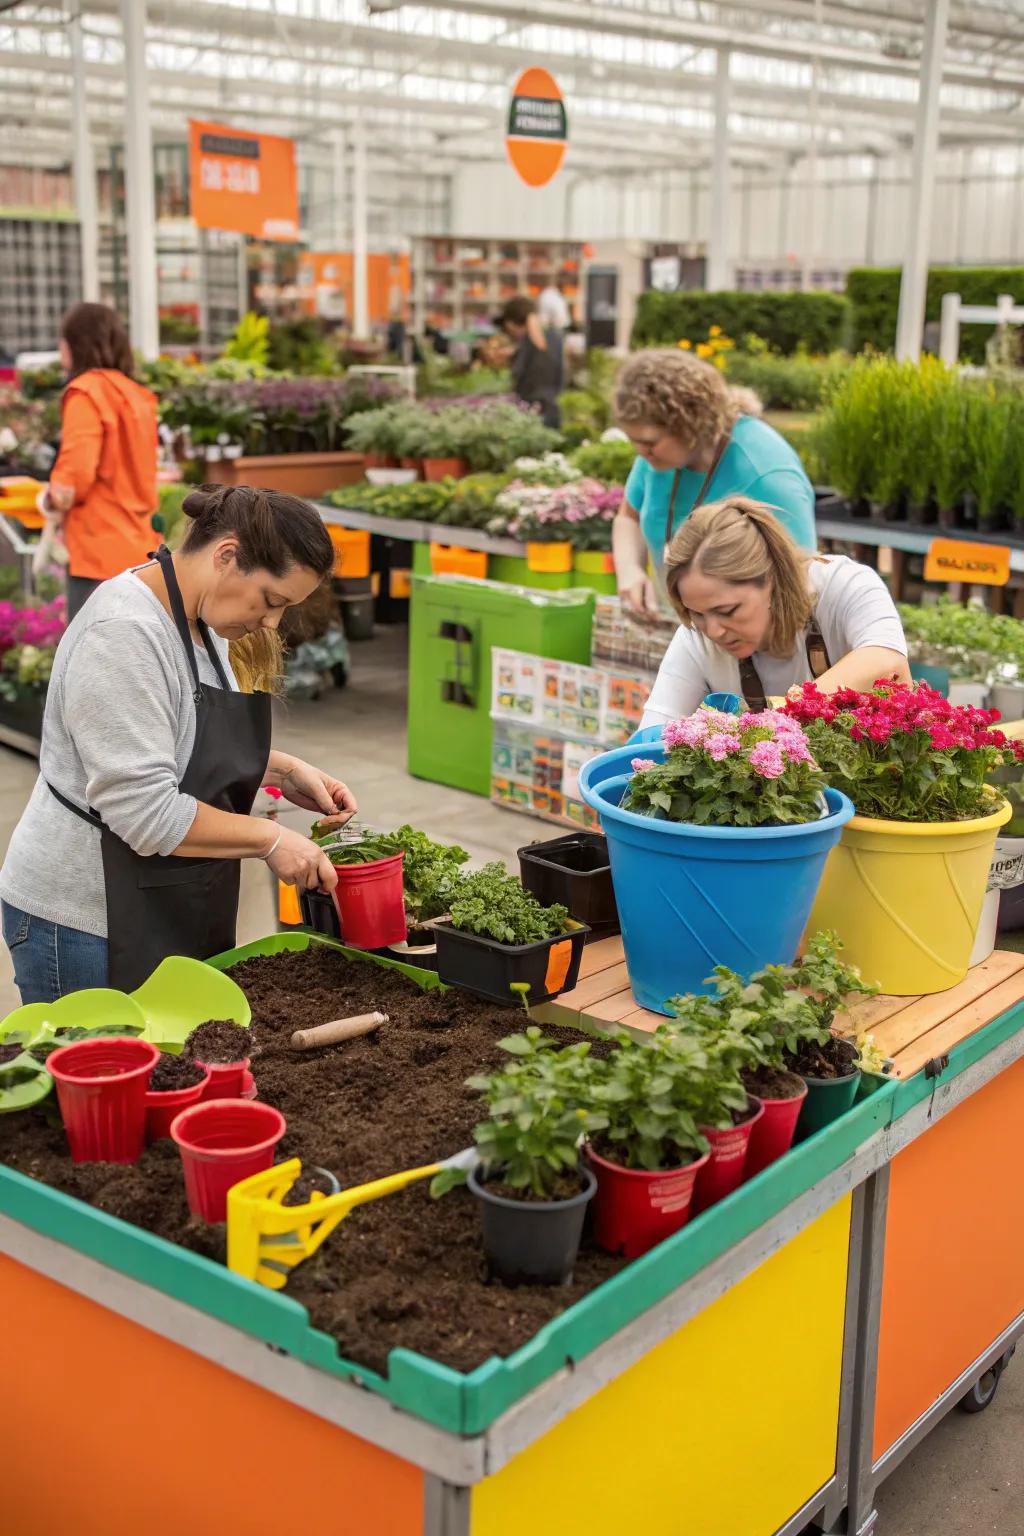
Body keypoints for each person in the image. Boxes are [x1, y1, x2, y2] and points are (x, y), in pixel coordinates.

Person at [0, 484, 357, 1004]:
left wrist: (279, 771)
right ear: (226, 555)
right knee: (100, 1057)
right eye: (271, 600)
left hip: (154, 900)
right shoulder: (124, 634)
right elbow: (144, 811)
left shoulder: (200, 618)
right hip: (83, 921)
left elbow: (175, 742)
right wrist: (272, 841)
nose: (272, 622)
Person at [639, 495, 910, 725]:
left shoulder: (842, 584)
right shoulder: (695, 638)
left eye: (728, 610)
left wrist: (780, 719)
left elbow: (886, 661)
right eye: (696, 613)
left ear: (771, 578)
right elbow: (650, 739)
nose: (713, 631)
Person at [611, 348, 816, 621]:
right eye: (634, 440)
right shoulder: (657, 458)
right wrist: (630, 570)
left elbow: (801, 583)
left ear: (690, 425)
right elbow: (629, 516)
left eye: (648, 442)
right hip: (684, 630)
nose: (640, 452)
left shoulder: (767, 474)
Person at [37, 303, 159, 623]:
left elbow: (74, 477)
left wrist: (48, 499)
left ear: (76, 344)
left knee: (90, 646)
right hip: (140, 546)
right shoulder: (138, 395)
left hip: (97, 550)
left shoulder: (85, 393)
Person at [495, 295, 563, 429]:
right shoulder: (553, 336)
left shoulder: (533, 340)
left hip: (536, 407)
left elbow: (522, 370)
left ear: (510, 324)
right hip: (552, 405)